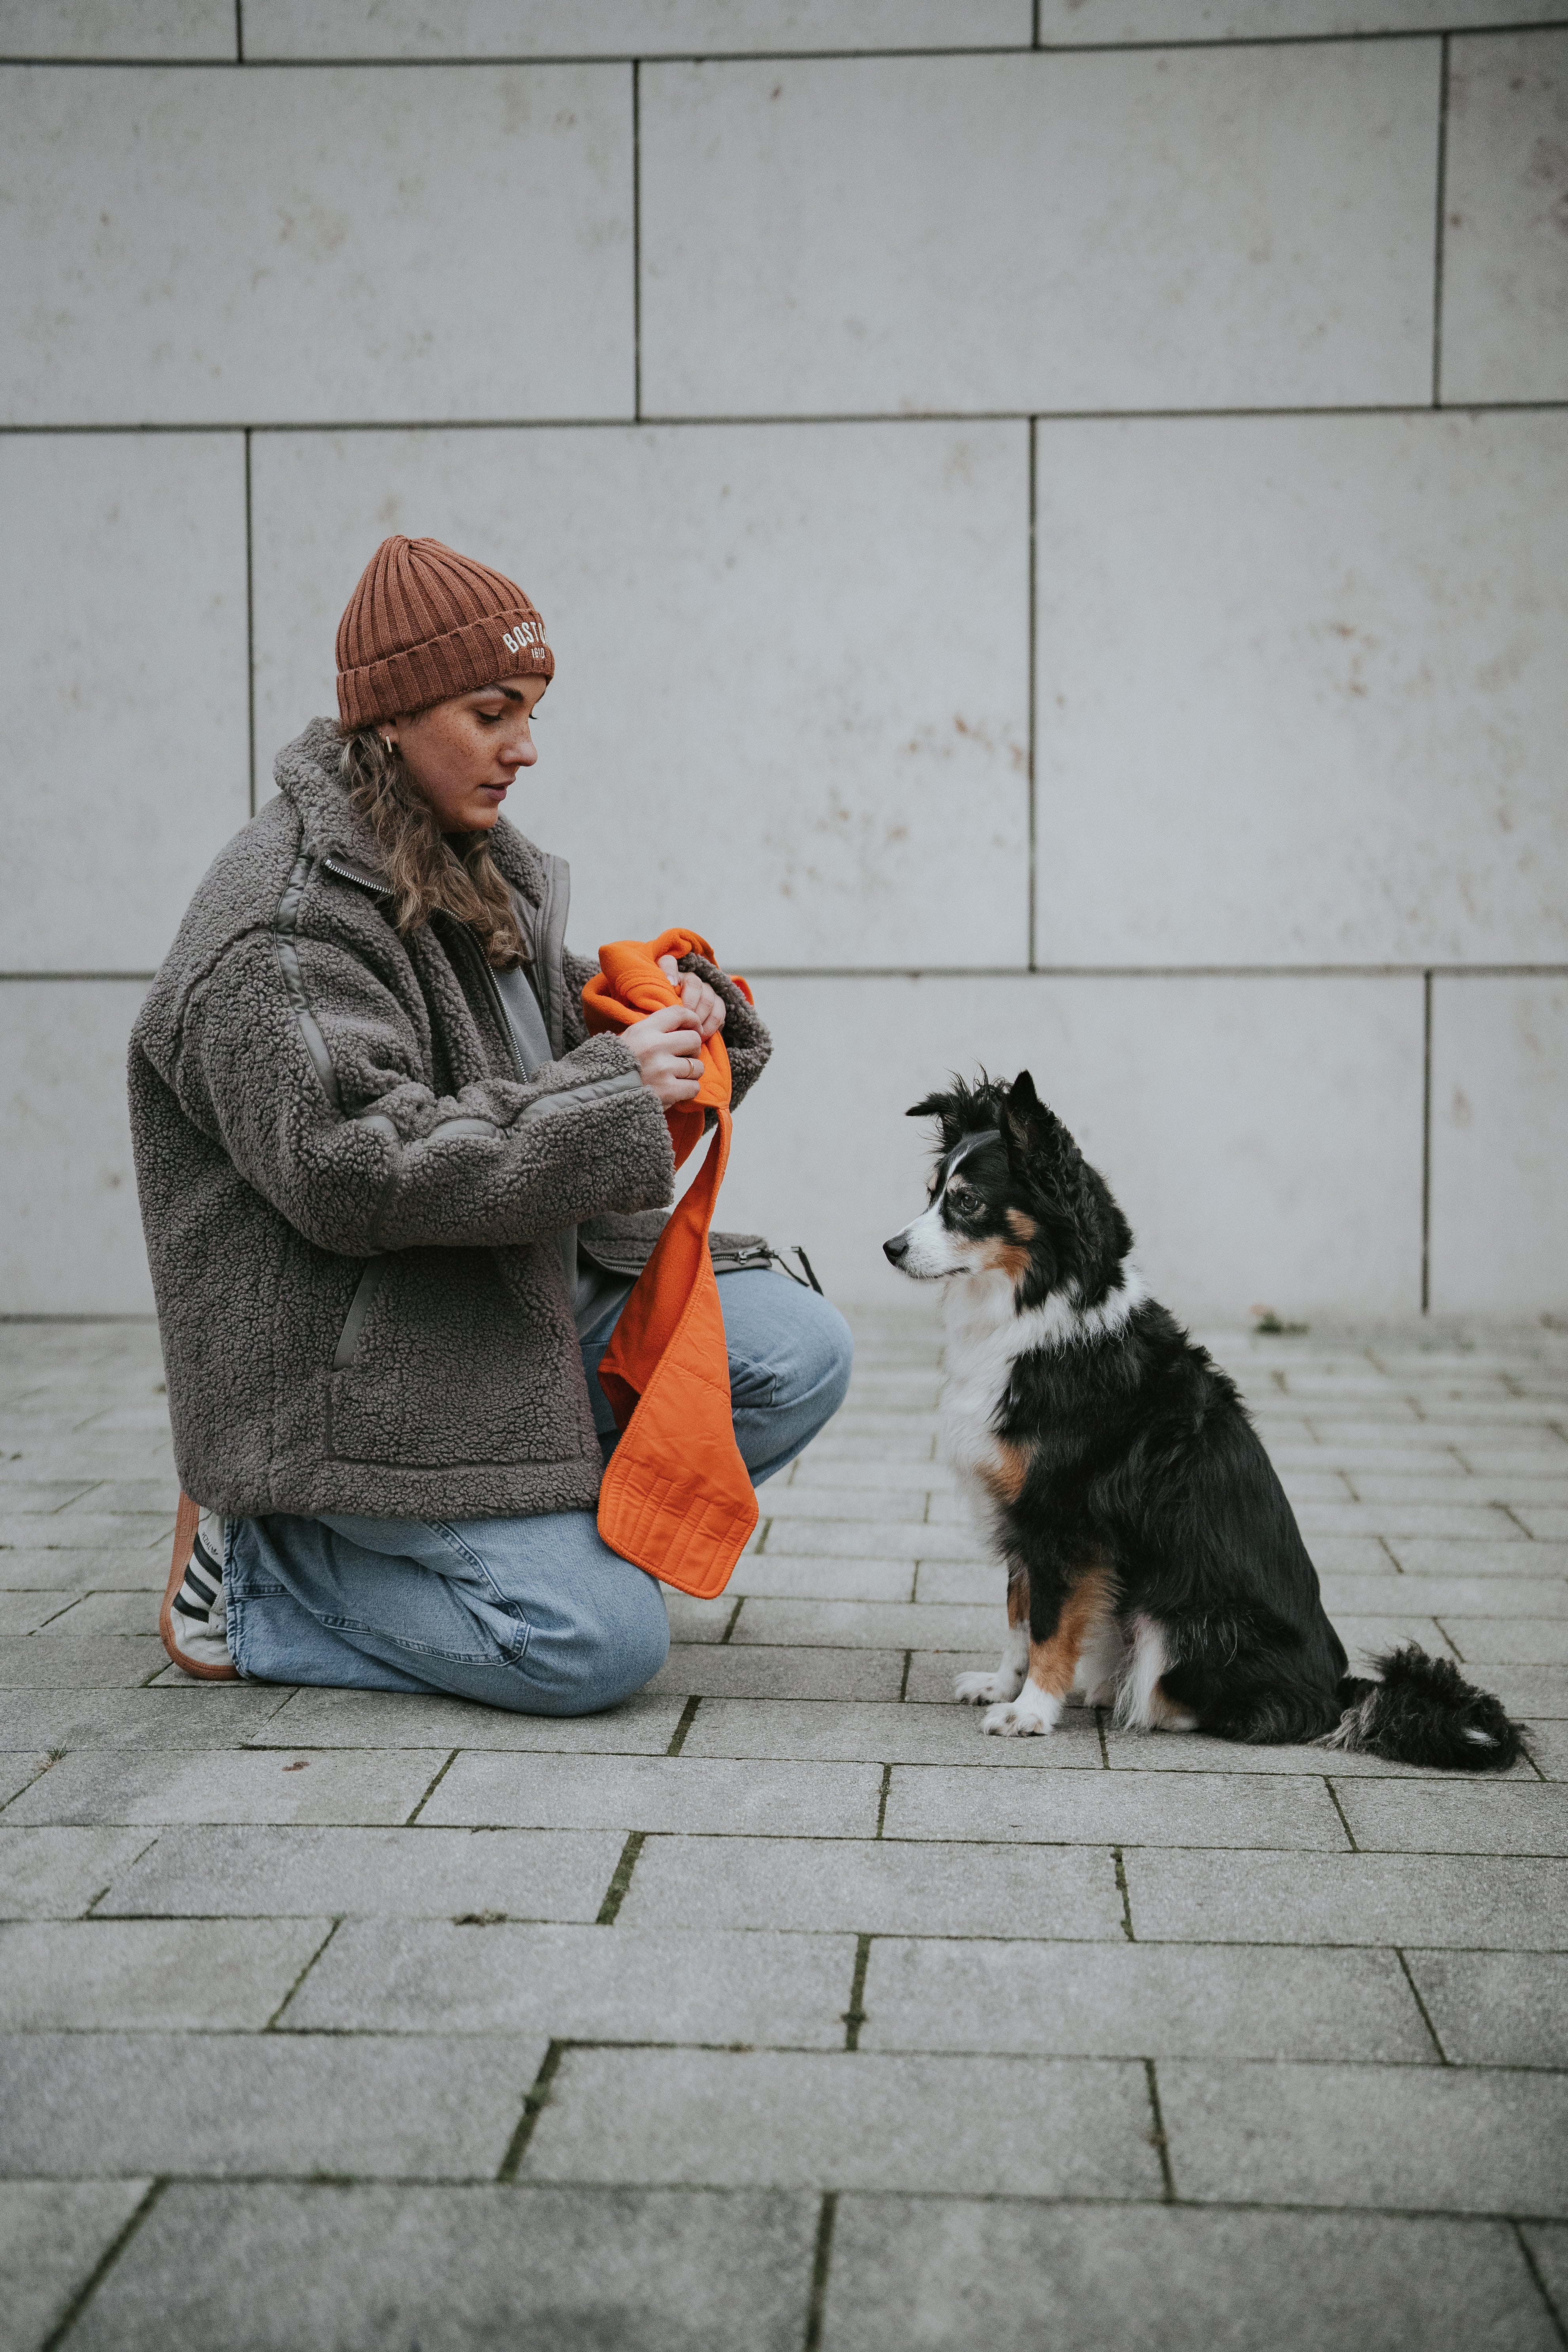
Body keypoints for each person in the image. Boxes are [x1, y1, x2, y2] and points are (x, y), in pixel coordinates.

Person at [129, 535, 852, 1711]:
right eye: (492, 709)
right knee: (593, 1646)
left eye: (531, 708)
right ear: (395, 717)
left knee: (797, 1348)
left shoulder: (457, 854)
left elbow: (546, 1041)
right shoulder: (281, 927)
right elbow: (359, 1167)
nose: (524, 744)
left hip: (481, 1309)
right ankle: (255, 1566)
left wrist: (672, 1022)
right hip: (354, 1372)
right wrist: (614, 1086)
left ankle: (527, 1529)